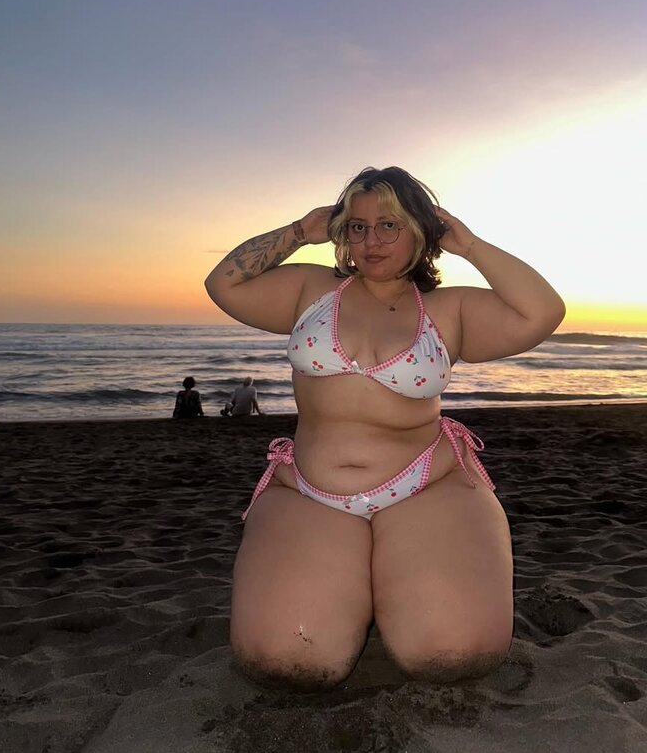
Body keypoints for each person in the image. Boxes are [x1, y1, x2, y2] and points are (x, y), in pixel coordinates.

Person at [204, 165, 565, 690]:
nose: (371, 240)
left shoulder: (450, 308)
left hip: (426, 486)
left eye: (390, 225)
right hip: (310, 491)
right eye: (358, 226)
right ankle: (360, 579)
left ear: (421, 229)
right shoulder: (311, 288)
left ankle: (394, 578)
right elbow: (223, 283)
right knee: (286, 661)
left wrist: (470, 246)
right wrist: (299, 232)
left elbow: (543, 312)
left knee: (452, 654)